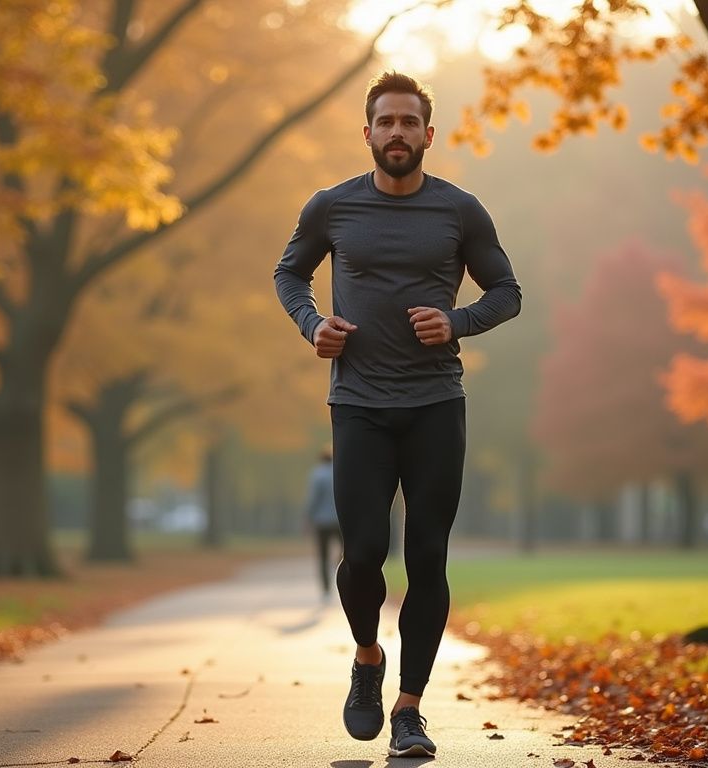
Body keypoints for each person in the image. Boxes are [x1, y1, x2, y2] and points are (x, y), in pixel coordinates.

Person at [273, 71, 521, 758]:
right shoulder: (332, 207)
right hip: (358, 405)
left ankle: (409, 710)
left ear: (428, 135)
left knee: (428, 559)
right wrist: (310, 323)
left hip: (436, 405)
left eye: (410, 123)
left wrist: (458, 320)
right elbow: (289, 274)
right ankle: (367, 659)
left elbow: (507, 290)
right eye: (387, 122)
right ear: (369, 133)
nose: (398, 133)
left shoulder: (459, 211)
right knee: (361, 557)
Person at [303, 445, 342, 598]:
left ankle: (326, 590)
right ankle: (338, 565)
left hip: (322, 522)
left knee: (322, 556)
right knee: (347, 551)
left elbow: (313, 500)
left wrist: (308, 518)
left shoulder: (316, 475)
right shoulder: (340, 471)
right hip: (339, 520)